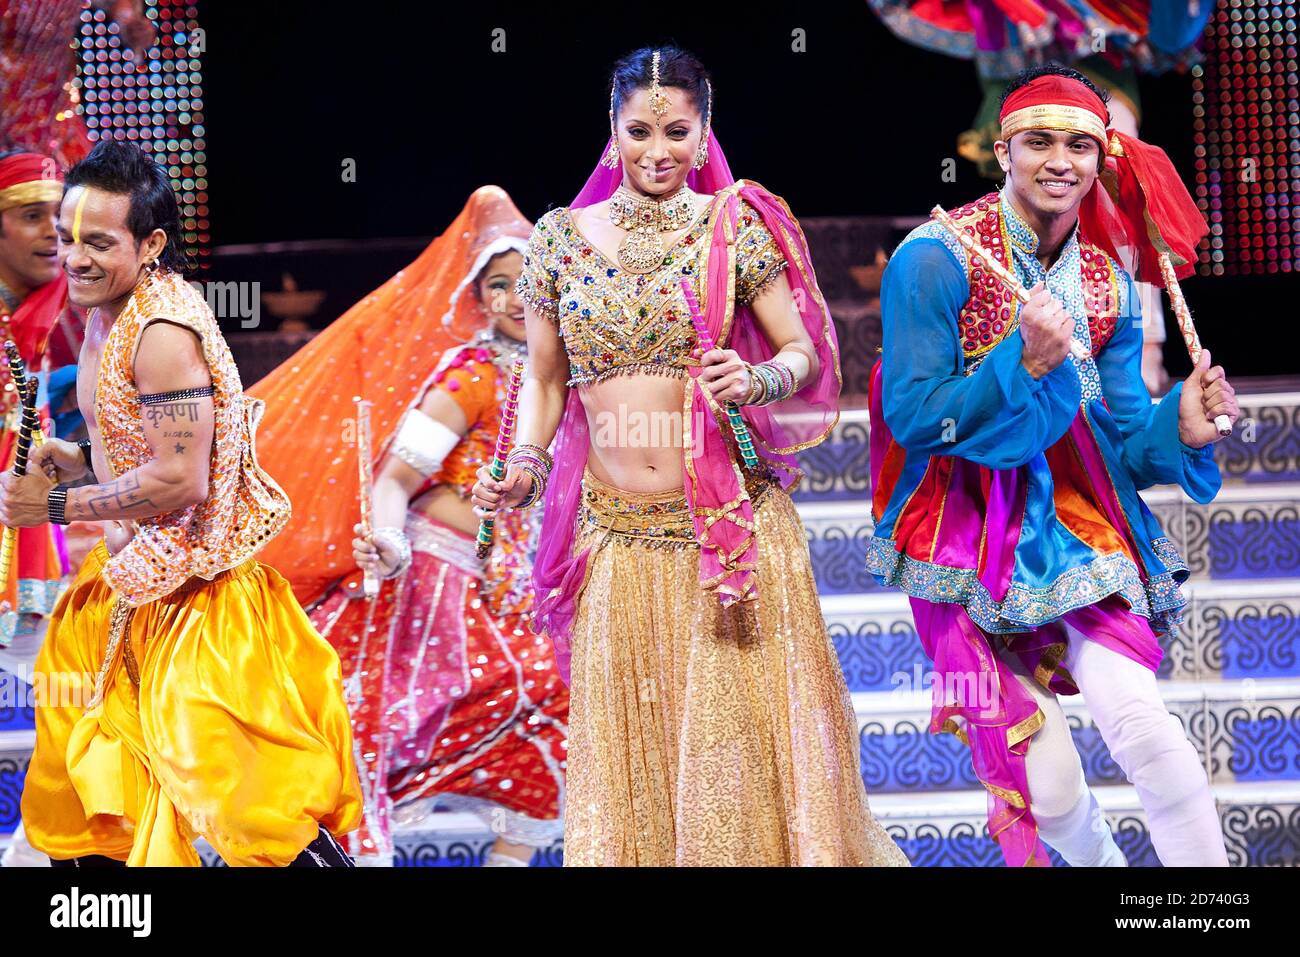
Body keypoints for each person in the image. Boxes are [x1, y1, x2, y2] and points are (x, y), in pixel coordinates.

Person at [473, 46, 907, 867]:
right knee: (632, 762)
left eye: (677, 131)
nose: (657, 150)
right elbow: (543, 378)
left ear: (705, 131)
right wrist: (526, 464)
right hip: (619, 544)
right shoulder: (560, 239)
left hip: (729, 535)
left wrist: (758, 375)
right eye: (639, 130)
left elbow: (803, 351)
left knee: (734, 767)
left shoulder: (732, 222)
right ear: (612, 130)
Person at [869, 65, 1241, 866]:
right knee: (1054, 787)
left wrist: (1182, 432)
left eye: (1081, 144)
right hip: (958, 535)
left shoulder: (1108, 281)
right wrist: (1022, 364)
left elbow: (1124, 446)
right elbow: (913, 415)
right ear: (1002, 151)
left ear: (1102, 157)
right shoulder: (935, 257)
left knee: (1141, 724)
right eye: (1039, 141)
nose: (1061, 161)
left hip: (1077, 519)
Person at [0, 139, 361, 866]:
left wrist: (58, 505)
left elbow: (180, 478)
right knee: (88, 795)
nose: (74, 257)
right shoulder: (107, 307)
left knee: (256, 812)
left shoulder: (162, 330)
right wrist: (72, 457)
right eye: (68, 237)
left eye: (98, 242)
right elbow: (140, 448)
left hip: (199, 603)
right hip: (125, 594)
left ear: (151, 243)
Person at [250, 186, 568, 868]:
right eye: (499, 284)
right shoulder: (472, 375)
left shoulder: (562, 378)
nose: (515, 298)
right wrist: (390, 544)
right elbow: (393, 479)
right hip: (432, 578)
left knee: (554, 697)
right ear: (479, 298)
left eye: (528, 282)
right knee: (379, 721)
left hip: (509, 584)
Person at [0, 149, 73, 648]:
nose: (54, 232)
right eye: (32, 217)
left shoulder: (76, 304)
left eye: (59, 216)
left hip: (33, 502)